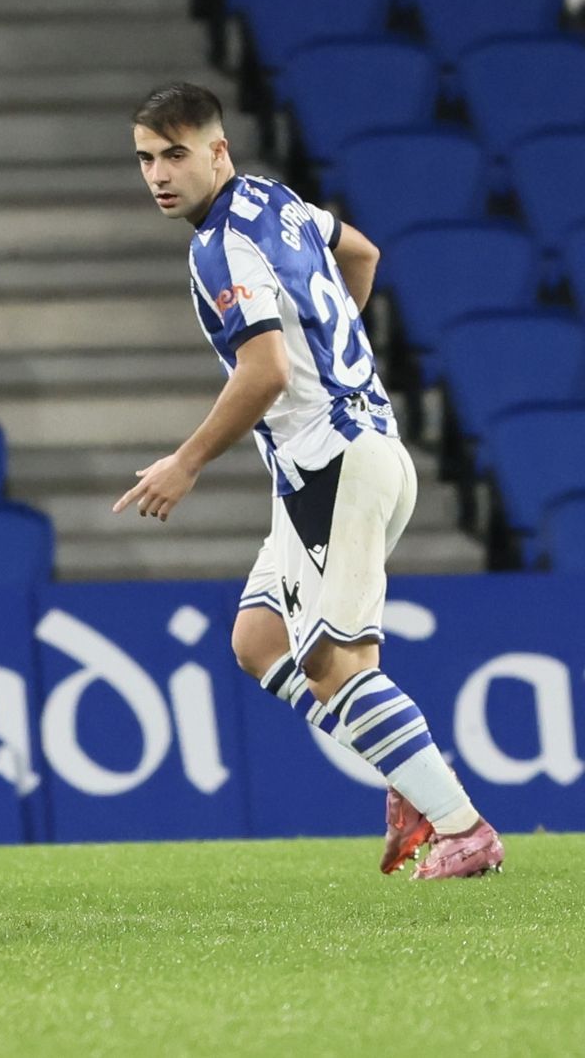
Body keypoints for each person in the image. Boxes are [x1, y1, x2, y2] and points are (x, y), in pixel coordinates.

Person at [115, 83, 503, 880]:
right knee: (258, 640)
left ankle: (464, 830)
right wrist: (337, 357)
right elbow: (361, 252)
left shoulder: (218, 246)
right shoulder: (273, 200)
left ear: (217, 151)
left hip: (338, 465)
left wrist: (184, 461)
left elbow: (264, 370)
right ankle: (406, 771)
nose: (159, 174)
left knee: (336, 665)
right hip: (353, 452)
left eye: (176, 154)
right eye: (147, 158)